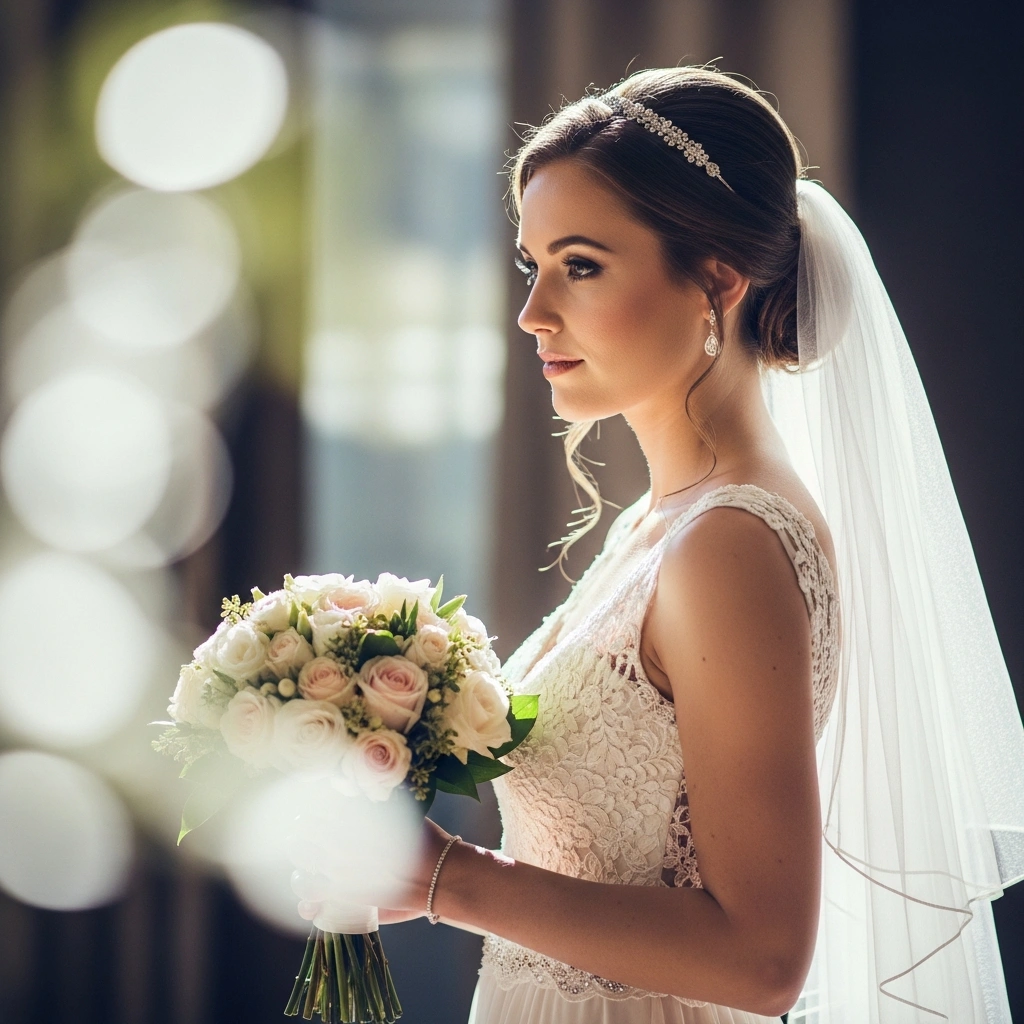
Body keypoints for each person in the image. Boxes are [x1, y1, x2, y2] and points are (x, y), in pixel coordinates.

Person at [344, 67, 1024, 1022]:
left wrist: (447, 880)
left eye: (582, 266)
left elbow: (762, 959)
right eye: (533, 265)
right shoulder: (660, 521)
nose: (534, 312)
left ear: (716, 281)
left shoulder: (728, 544)